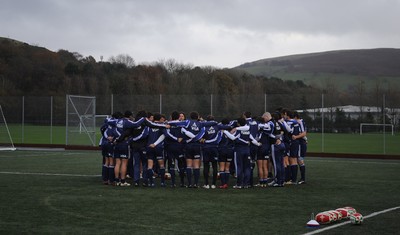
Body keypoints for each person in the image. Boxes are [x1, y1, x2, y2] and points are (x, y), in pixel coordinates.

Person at [223, 117, 261, 189]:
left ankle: (239, 184)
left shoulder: (239, 130)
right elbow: (252, 139)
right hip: (247, 150)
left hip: (239, 150)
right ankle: (246, 184)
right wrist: (258, 144)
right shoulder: (247, 130)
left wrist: (225, 132)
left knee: (239, 167)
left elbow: (233, 138)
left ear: (238, 123)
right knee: (247, 167)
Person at [201, 115, 232, 189]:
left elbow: (200, 136)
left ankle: (206, 184)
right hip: (214, 148)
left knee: (206, 166)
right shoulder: (217, 126)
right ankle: (214, 184)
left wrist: (202, 140)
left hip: (206, 148)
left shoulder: (204, 127)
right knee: (214, 165)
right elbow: (228, 127)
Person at [257, 112, 275, 187]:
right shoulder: (268, 127)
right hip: (267, 147)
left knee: (260, 166)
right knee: (265, 165)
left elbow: (257, 138)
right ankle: (265, 182)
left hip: (260, 146)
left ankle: (261, 182)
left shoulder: (260, 129)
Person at [217, 118, 235, 189]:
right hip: (230, 150)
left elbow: (218, 140)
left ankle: (223, 183)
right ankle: (226, 183)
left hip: (222, 150)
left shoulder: (220, 131)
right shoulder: (232, 131)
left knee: (222, 167)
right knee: (227, 168)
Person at [243, 111, 259, 187]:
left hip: (249, 144)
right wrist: (257, 141)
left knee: (247, 164)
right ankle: (250, 181)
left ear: (244, 115)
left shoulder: (245, 122)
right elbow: (258, 132)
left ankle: (248, 182)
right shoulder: (255, 122)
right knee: (252, 162)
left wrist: (253, 141)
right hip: (255, 145)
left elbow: (248, 134)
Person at [294, 111, 307, 184]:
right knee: (299, 159)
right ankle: (302, 178)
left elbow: (304, 133)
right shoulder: (301, 121)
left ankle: (303, 179)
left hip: (301, 143)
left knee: (300, 159)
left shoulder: (300, 122)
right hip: (301, 142)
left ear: (295, 117)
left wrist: (296, 137)